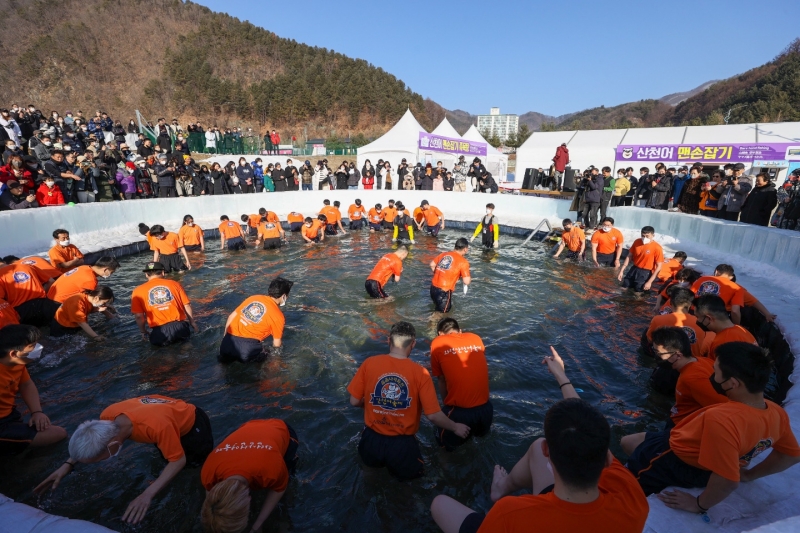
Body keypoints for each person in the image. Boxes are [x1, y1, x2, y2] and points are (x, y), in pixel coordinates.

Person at [430, 346, 648, 533]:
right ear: (607, 460)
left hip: (540, 518)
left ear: (548, 452)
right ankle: (500, 487)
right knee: (534, 447)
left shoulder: (511, 514)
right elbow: (588, 425)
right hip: (584, 510)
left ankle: (498, 491)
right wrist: (561, 376)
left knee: (439, 504)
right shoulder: (631, 494)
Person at [623, 342, 800, 515]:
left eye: (715, 372)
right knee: (628, 441)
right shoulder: (776, 411)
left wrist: (699, 504)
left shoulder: (722, 420)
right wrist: (749, 475)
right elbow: (791, 454)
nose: (712, 376)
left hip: (675, 460)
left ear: (732, 383)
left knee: (625, 485)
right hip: (685, 446)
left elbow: (728, 480)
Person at [35, 394, 214, 526]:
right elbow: (89, 440)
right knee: (166, 458)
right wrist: (68, 464)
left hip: (191, 425)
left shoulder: (156, 427)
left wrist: (147, 495)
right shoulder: (108, 417)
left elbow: (178, 461)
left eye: (98, 460)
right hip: (162, 413)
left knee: (193, 467)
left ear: (112, 445)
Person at [347, 322, 470, 480]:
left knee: (369, 475)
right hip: (402, 445)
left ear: (388, 340)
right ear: (413, 344)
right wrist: (455, 427)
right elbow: (432, 415)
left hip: (371, 439)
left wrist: (377, 404)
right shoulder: (420, 373)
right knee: (407, 489)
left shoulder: (369, 363)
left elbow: (354, 401)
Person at [200, 419, 299, 533]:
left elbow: (278, 489)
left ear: (249, 498)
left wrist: (257, 525)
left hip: (282, 429)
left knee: (288, 482)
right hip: (248, 425)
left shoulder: (271, 470)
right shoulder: (208, 473)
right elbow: (211, 504)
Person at [0, 324, 67, 456]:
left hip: (9, 415)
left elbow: (26, 385)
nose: (38, 348)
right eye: (32, 346)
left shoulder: (17, 363)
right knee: (59, 434)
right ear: (13, 353)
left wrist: (36, 412)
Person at [429, 318, 491, 451]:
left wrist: (446, 406)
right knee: (479, 445)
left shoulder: (438, 342)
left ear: (440, 334)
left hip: (460, 413)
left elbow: (440, 379)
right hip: (486, 410)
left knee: (442, 448)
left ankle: (444, 470)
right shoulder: (476, 338)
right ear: (460, 331)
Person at [650, 326, 728, 427]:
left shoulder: (691, 379)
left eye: (659, 353)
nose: (656, 356)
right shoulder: (703, 360)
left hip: (682, 427)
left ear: (678, 355)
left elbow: (723, 407)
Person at [219, 277, 292, 364]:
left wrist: (225, 339)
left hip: (227, 343)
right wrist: (277, 361)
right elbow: (276, 344)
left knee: (223, 367)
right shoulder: (278, 316)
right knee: (269, 355)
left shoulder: (253, 298)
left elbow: (231, 317)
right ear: (283, 296)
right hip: (247, 349)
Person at [131, 262, 198, 346]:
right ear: (163, 272)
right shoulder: (175, 284)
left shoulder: (137, 291)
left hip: (159, 331)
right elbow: (187, 305)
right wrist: (192, 322)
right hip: (180, 327)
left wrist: (143, 331)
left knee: (165, 357)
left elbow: (139, 316)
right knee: (186, 350)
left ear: (146, 275)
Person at [645, 287, 708, 359]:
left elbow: (649, 339)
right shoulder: (701, 323)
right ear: (691, 305)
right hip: (692, 361)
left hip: (667, 361)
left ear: (671, 302)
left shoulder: (657, 319)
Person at [694, 294, 757, 361]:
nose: (697, 320)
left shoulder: (722, 342)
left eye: (697, 317)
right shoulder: (741, 329)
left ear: (708, 318)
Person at [0, 261, 58, 327]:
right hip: (43, 303)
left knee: (32, 335)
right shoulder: (27, 266)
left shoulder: (1, 275)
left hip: (21, 311)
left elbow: (1, 300)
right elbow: (51, 281)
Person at [47, 256, 119, 303]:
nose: (111, 275)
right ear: (105, 269)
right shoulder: (90, 280)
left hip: (49, 297)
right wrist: (108, 312)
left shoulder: (84, 267)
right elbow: (93, 301)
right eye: (111, 272)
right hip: (57, 303)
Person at [429, 238, 471, 313]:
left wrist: (442, 273)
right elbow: (466, 281)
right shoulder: (463, 262)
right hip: (444, 291)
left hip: (433, 288)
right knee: (441, 315)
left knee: (436, 310)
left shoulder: (444, 254)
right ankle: (430, 324)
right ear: (465, 249)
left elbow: (432, 265)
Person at [617, 226, 664, 292]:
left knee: (638, 291)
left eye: (647, 236)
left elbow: (659, 266)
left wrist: (650, 282)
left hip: (645, 272)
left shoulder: (657, 247)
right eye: (643, 236)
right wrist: (621, 271)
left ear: (653, 235)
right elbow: (629, 256)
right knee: (624, 286)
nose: (644, 238)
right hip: (634, 268)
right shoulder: (637, 242)